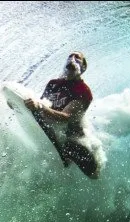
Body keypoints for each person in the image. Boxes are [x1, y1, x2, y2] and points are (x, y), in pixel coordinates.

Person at [24, 51, 99, 179]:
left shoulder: (83, 91)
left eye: (77, 58)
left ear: (83, 68)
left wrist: (40, 106)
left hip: (70, 137)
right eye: (70, 57)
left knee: (92, 172)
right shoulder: (53, 84)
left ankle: (84, 168)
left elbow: (66, 117)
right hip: (50, 128)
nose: (72, 59)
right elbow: (40, 105)